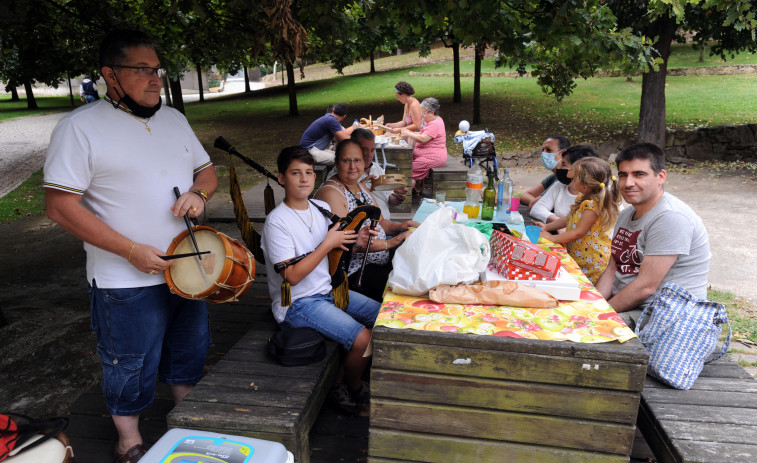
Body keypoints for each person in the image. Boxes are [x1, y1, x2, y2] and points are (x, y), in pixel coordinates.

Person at [43, 29, 218, 462]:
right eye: (142, 69)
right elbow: (60, 206)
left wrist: (200, 194)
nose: (155, 78)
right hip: (124, 276)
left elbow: (207, 172)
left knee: (187, 349)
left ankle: (186, 421)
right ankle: (129, 441)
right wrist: (129, 250)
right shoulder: (79, 128)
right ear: (110, 75)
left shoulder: (174, 118)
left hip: (186, 266)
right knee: (129, 362)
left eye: (156, 68)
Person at [261, 145, 380, 413]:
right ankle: (352, 384)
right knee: (364, 339)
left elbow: (337, 247)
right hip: (298, 303)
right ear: (281, 178)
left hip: (329, 290)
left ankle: (346, 376)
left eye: (309, 172)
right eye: (295, 173)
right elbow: (291, 277)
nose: (304, 179)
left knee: (383, 317)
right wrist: (327, 244)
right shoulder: (277, 222)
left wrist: (356, 240)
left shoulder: (321, 207)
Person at [595, 143, 711, 327]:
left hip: (664, 316)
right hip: (632, 305)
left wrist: (599, 315)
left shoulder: (670, 217)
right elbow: (613, 268)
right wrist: (593, 307)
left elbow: (646, 287)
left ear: (661, 177)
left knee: (588, 330)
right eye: (623, 175)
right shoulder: (626, 214)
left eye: (639, 174)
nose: (628, 183)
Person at [315, 139, 417, 302]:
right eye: (346, 161)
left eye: (357, 161)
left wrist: (400, 226)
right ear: (336, 162)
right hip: (354, 274)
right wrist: (392, 243)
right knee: (406, 287)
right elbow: (346, 244)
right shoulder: (331, 192)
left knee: (417, 259)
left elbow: (382, 222)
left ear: (364, 163)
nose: (352, 166)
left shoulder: (359, 186)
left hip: (377, 261)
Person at [536, 157, 621, 284]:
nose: (571, 180)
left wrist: (551, 238)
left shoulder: (592, 205)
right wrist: (547, 227)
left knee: (583, 288)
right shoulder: (583, 199)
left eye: (574, 178)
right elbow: (569, 218)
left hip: (591, 262)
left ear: (585, 186)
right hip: (580, 255)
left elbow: (578, 233)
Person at [323, 128, 409, 219]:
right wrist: (359, 190)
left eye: (372, 150)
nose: (369, 155)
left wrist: (399, 197)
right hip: (363, 229)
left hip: (385, 225)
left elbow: (389, 200)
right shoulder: (341, 174)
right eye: (364, 150)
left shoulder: (377, 168)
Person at [530, 145, 598, 225]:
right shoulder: (559, 186)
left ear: (579, 169)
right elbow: (537, 208)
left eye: (564, 164)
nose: (559, 167)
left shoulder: (600, 194)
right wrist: (557, 222)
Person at [401, 97, 448, 196]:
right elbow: (422, 134)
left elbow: (423, 139)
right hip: (427, 156)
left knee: (408, 169)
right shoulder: (434, 121)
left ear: (432, 112)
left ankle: (403, 198)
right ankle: (411, 193)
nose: (422, 116)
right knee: (407, 167)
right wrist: (409, 132)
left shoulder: (435, 124)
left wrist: (408, 134)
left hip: (433, 158)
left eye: (424, 113)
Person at [522, 135, 571, 208]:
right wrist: (538, 203)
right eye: (543, 150)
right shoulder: (555, 176)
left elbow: (534, 203)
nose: (544, 154)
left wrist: (538, 203)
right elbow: (525, 195)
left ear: (563, 153)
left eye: (548, 150)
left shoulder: (565, 178)